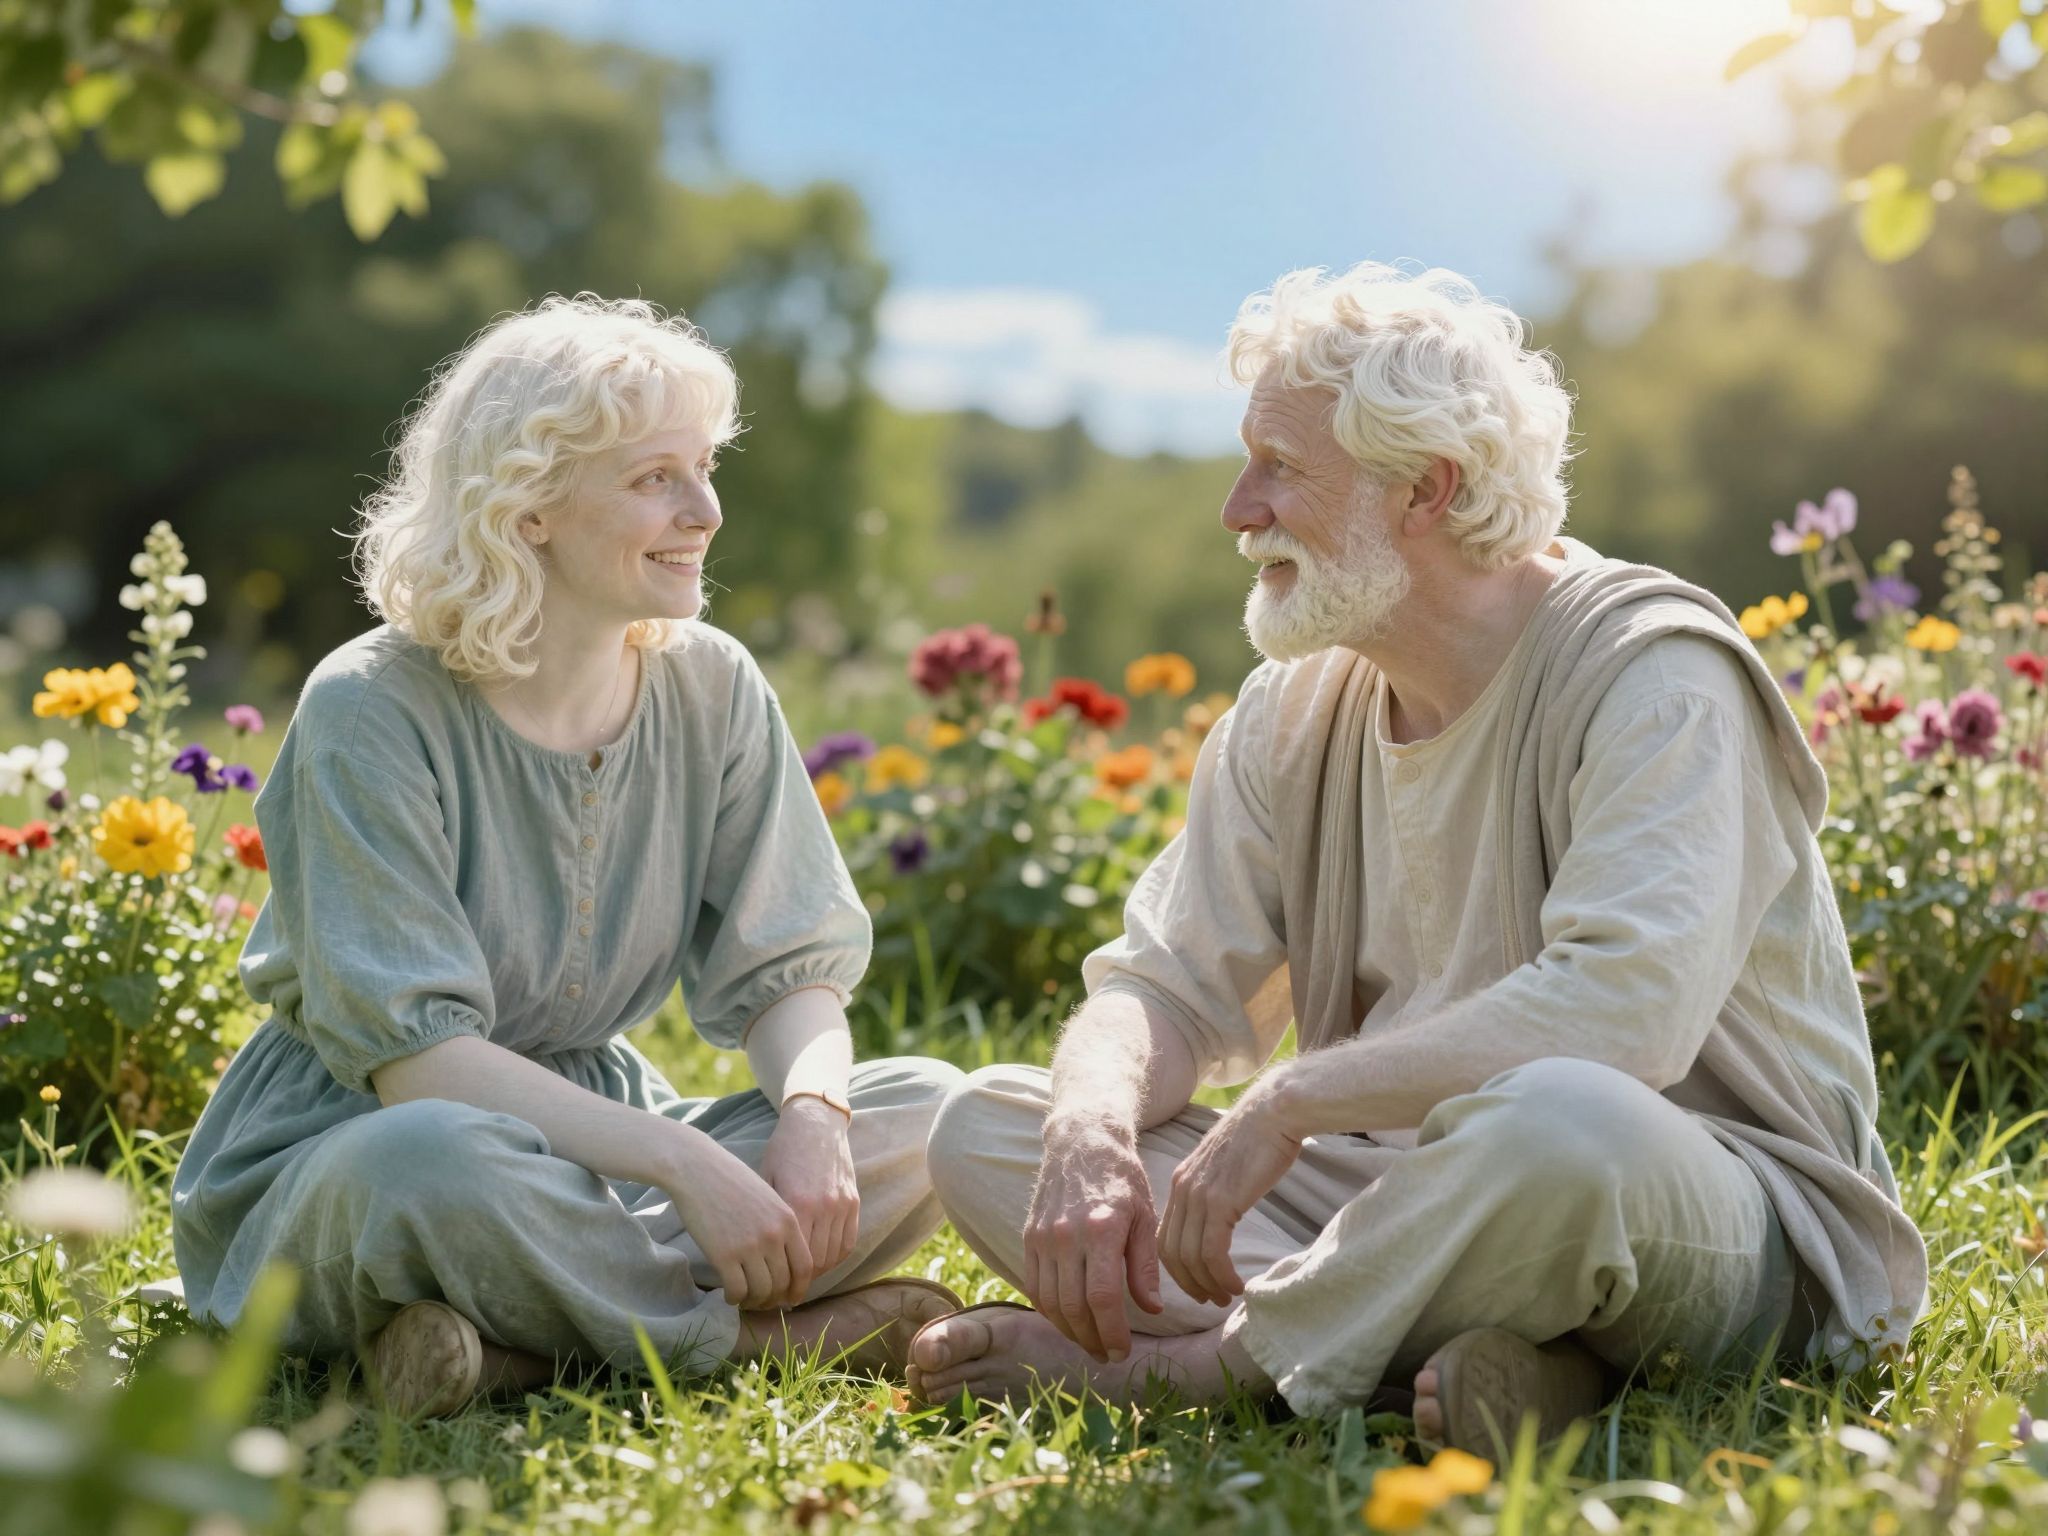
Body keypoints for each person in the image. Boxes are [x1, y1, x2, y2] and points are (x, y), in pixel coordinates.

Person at [906, 262, 1927, 1452]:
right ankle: (1498, 1369)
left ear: (1423, 490)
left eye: (1278, 468)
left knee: (1553, 1123)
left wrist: (1291, 1097)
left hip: (1698, 1214)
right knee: (985, 1126)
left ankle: (1206, 1370)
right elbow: (1159, 990)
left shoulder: (1653, 673)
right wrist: (1087, 1130)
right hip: (1402, 1196)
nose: (1238, 508)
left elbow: (1622, 1017)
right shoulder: (1293, 708)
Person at [171, 294, 963, 1417]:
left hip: (595, 1166)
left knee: (932, 1107)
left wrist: (812, 1121)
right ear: (528, 507)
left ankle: (516, 1347)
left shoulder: (713, 684)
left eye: (704, 468)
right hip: (365, 1148)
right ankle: (754, 1344)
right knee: (434, 1161)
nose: (705, 511)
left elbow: (791, 971)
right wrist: (688, 1169)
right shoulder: (369, 706)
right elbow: (420, 1064)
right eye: (655, 479)